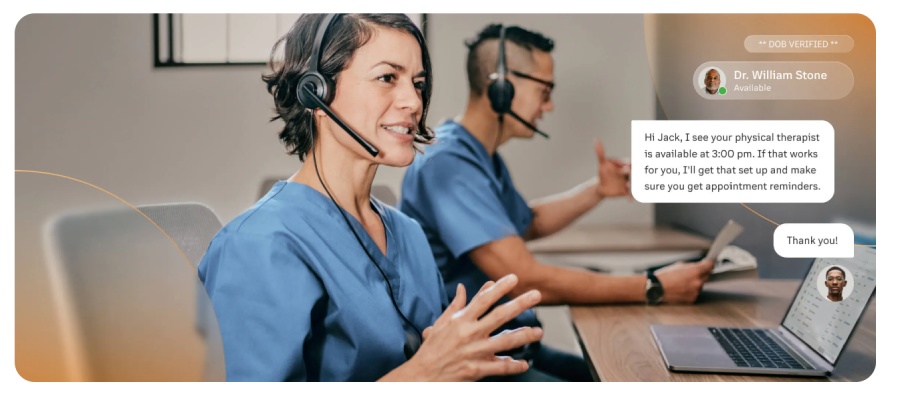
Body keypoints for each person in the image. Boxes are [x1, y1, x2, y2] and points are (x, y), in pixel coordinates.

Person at [198, 14, 544, 382]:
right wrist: (424, 373)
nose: (413, 101)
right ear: (316, 91)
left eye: (418, 83)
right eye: (387, 78)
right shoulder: (257, 246)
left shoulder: (408, 234)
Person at [399, 23, 714, 381]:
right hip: (478, 363)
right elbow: (525, 279)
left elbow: (526, 222)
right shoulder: (448, 164)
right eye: (544, 91)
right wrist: (652, 286)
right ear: (501, 86)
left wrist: (597, 190)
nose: (548, 105)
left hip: (510, 346)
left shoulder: (477, 155)